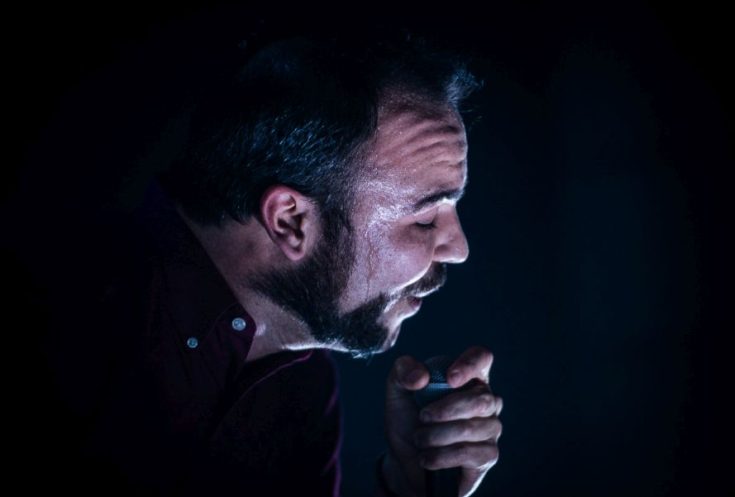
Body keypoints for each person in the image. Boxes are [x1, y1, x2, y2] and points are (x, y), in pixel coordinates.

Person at [12, 32, 503, 496]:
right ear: (291, 221)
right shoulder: (61, 313)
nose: (459, 249)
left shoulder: (302, 387)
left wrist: (408, 488)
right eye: (424, 218)